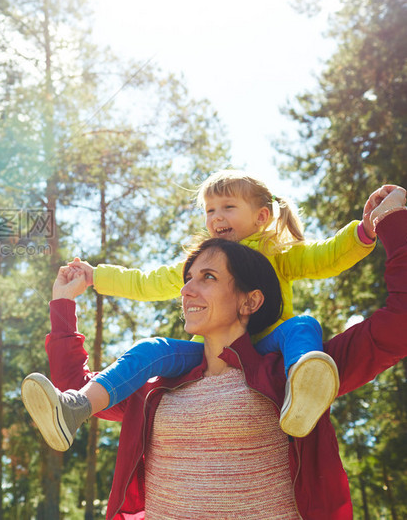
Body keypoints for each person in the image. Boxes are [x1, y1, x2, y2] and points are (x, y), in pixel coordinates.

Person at [22, 185, 407, 519]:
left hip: (290, 373)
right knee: (146, 350)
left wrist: (388, 221)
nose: (187, 290)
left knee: (302, 328)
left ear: (250, 300)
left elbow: (397, 322)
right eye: (188, 279)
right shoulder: (155, 387)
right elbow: (78, 385)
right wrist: (63, 303)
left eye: (208, 277)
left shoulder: (297, 377)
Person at [63, 169, 378, 439]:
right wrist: (96, 276)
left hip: (266, 345)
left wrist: (363, 232)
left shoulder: (276, 253)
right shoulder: (202, 260)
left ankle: (303, 391)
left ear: (261, 216)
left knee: (302, 326)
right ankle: (78, 405)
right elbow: (148, 282)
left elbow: (325, 256)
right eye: (210, 210)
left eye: (228, 207)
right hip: (210, 352)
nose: (216, 217)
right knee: (151, 349)